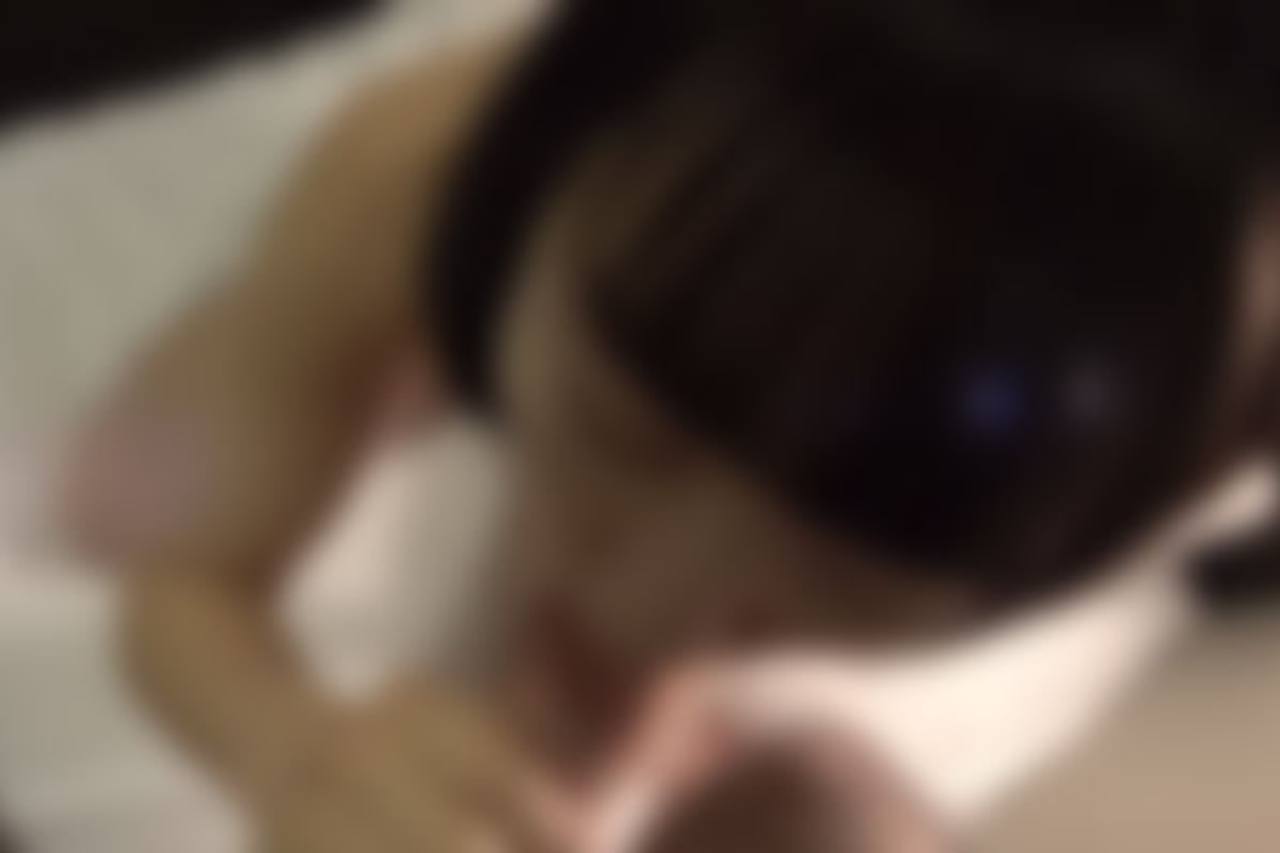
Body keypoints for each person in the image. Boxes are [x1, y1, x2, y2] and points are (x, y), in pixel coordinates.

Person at [66, 1, 1280, 850]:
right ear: (555, 159)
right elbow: (177, 560)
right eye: (620, 434)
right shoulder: (413, 166)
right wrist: (286, 745)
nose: (650, 603)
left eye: (857, 566)